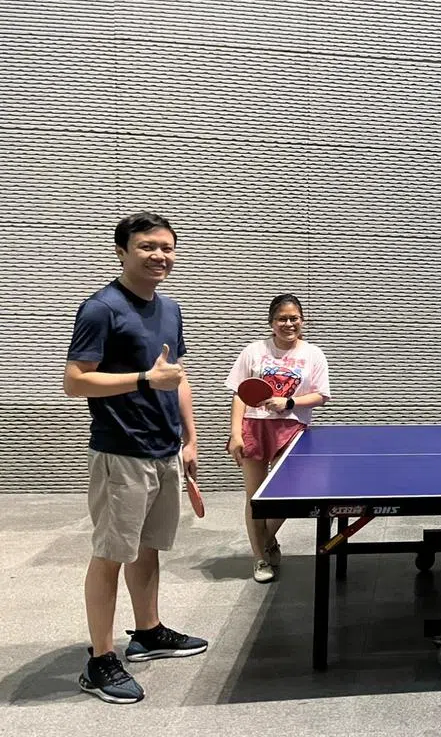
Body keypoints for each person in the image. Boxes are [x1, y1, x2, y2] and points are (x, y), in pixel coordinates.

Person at [64, 211, 208, 704]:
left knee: (147, 547)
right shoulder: (101, 308)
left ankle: (147, 632)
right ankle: (100, 661)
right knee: (110, 555)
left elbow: (178, 375)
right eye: (147, 246)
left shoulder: (169, 308)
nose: (159, 255)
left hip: (164, 451)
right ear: (122, 251)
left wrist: (189, 439)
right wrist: (144, 379)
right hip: (121, 454)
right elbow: (75, 380)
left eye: (167, 246)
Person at [226, 294, 331, 583]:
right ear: (272, 323)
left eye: (294, 318)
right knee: (255, 497)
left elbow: (321, 395)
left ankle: (266, 538)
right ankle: (260, 558)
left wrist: (290, 403)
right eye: (282, 318)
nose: (288, 323)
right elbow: (239, 393)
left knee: (286, 495)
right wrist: (235, 433)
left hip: (291, 429)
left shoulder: (313, 354)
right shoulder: (253, 351)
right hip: (254, 426)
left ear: (302, 320)